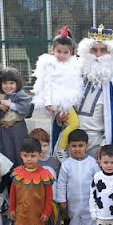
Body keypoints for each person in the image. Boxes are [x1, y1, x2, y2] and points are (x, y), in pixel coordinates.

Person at [75, 25, 113, 156]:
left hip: (97, 144)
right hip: (72, 140)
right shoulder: (74, 76)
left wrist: (105, 145)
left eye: (103, 50)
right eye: (94, 50)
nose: (98, 55)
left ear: (111, 53)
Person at [32, 26, 83, 159]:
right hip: (57, 101)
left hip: (67, 101)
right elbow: (47, 84)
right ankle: (61, 148)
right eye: (58, 51)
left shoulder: (74, 65)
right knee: (74, 124)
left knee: (70, 124)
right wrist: (49, 102)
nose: (61, 55)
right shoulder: (50, 64)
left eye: (65, 52)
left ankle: (61, 147)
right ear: (52, 50)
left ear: (71, 52)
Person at [8, 138, 55, 225]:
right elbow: (13, 193)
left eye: (33, 156)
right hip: (21, 213)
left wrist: (46, 212)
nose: (29, 159)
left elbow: (49, 196)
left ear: (39, 155)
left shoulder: (45, 175)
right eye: (26, 155)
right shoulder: (17, 173)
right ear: (21, 155)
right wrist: (12, 208)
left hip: (37, 214)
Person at [56, 129, 100, 225]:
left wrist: (98, 199)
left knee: (89, 220)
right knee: (74, 220)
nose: (77, 149)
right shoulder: (66, 164)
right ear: (69, 146)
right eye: (73, 146)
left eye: (80, 145)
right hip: (73, 201)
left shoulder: (92, 163)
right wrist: (61, 199)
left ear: (86, 146)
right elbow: (61, 183)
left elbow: (98, 182)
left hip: (89, 201)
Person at [0, 67, 33, 167]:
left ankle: (22, 172)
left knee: (20, 152)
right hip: (3, 132)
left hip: (18, 131)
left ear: (17, 83)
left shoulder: (20, 94)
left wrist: (11, 105)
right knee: (5, 153)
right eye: (5, 83)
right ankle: (7, 175)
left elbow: (26, 107)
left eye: (11, 83)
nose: (8, 86)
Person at [29, 128, 64, 225]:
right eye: (39, 146)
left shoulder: (54, 162)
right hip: (36, 203)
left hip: (52, 202)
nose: (42, 149)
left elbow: (60, 182)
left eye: (45, 145)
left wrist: (60, 199)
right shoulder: (30, 163)